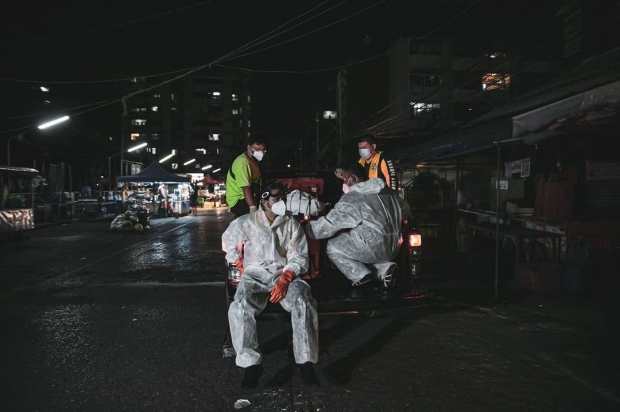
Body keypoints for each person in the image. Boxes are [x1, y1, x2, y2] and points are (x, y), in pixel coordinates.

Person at [222, 182, 320, 389]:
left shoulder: (291, 224)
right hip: (254, 277)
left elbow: (299, 256)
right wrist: (238, 262)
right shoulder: (246, 222)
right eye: (276, 199)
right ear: (264, 201)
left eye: (282, 198)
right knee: (239, 307)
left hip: (283, 275)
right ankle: (251, 366)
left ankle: (305, 362)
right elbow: (228, 240)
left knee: (303, 301)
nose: (280, 203)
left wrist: (285, 279)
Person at [305, 163, 402, 297]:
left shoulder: (354, 198)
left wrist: (308, 228)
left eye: (345, 180)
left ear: (353, 179)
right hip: (394, 247)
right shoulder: (389, 193)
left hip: (373, 246)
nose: (344, 183)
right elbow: (406, 212)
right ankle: (384, 269)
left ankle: (361, 276)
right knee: (360, 242)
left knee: (333, 246)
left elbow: (329, 225)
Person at [225, 135, 267, 218]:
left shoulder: (254, 162)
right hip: (238, 201)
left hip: (248, 196)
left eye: (263, 150)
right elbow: (246, 187)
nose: (261, 153)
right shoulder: (242, 162)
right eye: (257, 149)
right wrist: (252, 207)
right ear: (249, 147)